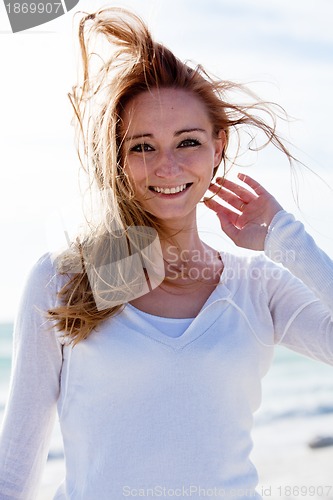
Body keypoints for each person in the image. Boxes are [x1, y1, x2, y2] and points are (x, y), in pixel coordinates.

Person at [0, 6, 332, 500]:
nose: (167, 166)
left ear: (219, 147)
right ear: (117, 156)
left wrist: (285, 238)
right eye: (142, 147)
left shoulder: (259, 286)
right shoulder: (64, 277)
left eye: (188, 141)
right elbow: (16, 462)